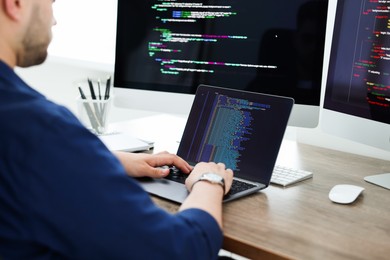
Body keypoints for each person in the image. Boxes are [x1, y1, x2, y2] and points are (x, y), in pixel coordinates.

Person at [0, 0, 234, 259]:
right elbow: (180, 250)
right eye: (51, 3)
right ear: (14, 4)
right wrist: (210, 181)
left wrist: (96, 160)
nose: (54, 20)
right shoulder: (38, 127)